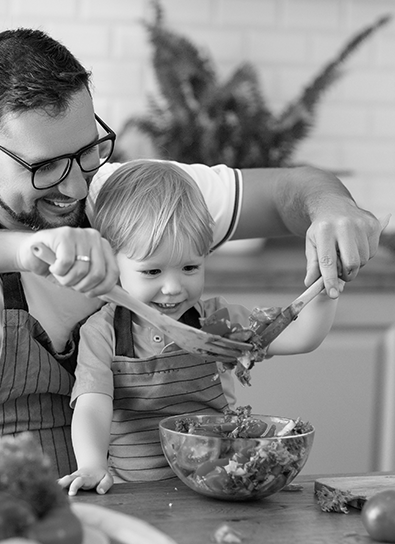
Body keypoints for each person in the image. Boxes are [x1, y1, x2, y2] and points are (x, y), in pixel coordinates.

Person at [0, 28, 384, 478]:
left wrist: (332, 208)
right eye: (44, 167)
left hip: (114, 492)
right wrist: (21, 248)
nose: (77, 187)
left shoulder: (133, 194)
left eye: (88, 151)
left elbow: (292, 190)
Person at [57, 161, 338, 495]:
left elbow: (301, 336)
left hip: (219, 485)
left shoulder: (217, 320)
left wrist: (327, 287)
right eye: (152, 272)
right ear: (112, 262)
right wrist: (91, 465)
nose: (174, 287)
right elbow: (93, 404)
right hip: (134, 493)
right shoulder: (102, 333)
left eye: (190, 267)